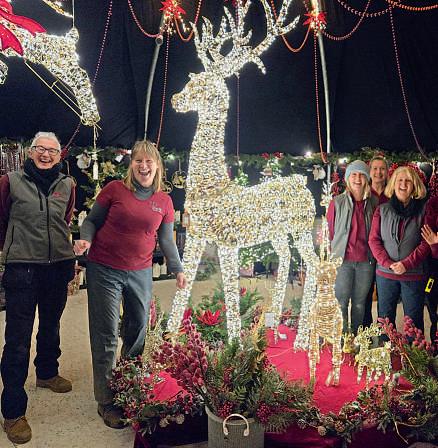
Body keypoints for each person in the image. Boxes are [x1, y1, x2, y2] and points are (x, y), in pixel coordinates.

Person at [74, 140, 186, 429]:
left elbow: (166, 240)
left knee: (137, 330)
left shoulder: (164, 201)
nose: (143, 166)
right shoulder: (114, 190)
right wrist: (85, 239)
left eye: (149, 161)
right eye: (138, 161)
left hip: (140, 272)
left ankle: (128, 386)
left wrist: (177, 269)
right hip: (105, 269)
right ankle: (106, 401)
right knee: (106, 334)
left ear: (157, 166)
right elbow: (91, 221)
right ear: (131, 164)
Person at [0, 132, 76, 444]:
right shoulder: (10, 182)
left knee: (51, 325)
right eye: (40, 149)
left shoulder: (67, 184)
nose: (46, 155)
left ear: (60, 156)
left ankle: (46, 373)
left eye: (52, 151)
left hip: (57, 266)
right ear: (30, 152)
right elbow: (1, 220)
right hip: (22, 268)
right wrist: (11, 249)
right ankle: (13, 412)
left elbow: (65, 220)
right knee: (17, 340)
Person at [369, 166, 429, 334]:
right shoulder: (382, 210)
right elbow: (373, 240)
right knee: (384, 321)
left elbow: (426, 243)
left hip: (413, 274)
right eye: (400, 180)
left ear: (414, 185)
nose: (403, 184)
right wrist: (388, 263)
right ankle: (385, 350)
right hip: (385, 274)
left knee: (413, 323)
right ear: (393, 184)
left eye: (408, 180)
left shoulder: (423, 211)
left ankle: (412, 351)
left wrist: (406, 264)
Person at [327, 160, 378, 334]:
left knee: (359, 303)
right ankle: (342, 339)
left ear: (367, 179)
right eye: (354, 174)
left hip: (365, 262)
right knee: (341, 302)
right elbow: (330, 233)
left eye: (361, 175)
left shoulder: (374, 203)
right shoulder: (337, 203)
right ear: (348, 178)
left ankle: (356, 338)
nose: (357, 178)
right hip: (343, 262)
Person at [363, 156, 390, 327]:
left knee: (385, 296)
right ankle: (364, 330)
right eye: (375, 168)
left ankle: (384, 332)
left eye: (382, 169)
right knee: (364, 294)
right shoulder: (363, 193)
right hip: (365, 252)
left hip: (386, 252)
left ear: (387, 172)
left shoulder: (392, 194)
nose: (378, 172)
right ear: (369, 171)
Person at [421, 195, 438, 342]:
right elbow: (428, 237)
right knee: (433, 310)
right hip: (433, 270)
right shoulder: (432, 204)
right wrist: (434, 244)